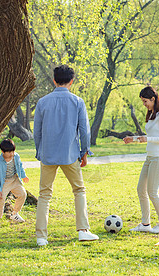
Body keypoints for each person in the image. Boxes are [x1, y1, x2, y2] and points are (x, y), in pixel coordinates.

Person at [34, 65, 98, 246]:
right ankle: (83, 230)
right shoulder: (78, 101)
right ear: (72, 81)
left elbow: (37, 131)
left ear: (54, 80)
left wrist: (39, 151)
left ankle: (41, 236)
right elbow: (84, 131)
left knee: (44, 194)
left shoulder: (42, 102)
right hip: (70, 154)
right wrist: (85, 152)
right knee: (79, 190)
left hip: (48, 154)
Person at [123, 86, 159, 234]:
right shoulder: (151, 115)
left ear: (153, 99)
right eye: (143, 102)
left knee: (152, 192)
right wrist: (134, 139)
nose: (144, 105)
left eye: (145, 102)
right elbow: (147, 137)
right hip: (150, 157)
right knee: (140, 189)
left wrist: (147, 138)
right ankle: (145, 223)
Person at [0, 139, 29, 226]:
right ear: (2, 152)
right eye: (9, 152)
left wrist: (24, 176)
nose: (11, 154)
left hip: (14, 179)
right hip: (4, 182)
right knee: (1, 198)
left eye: (13, 151)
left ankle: (15, 214)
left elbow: (20, 167)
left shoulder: (16, 156)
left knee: (23, 194)